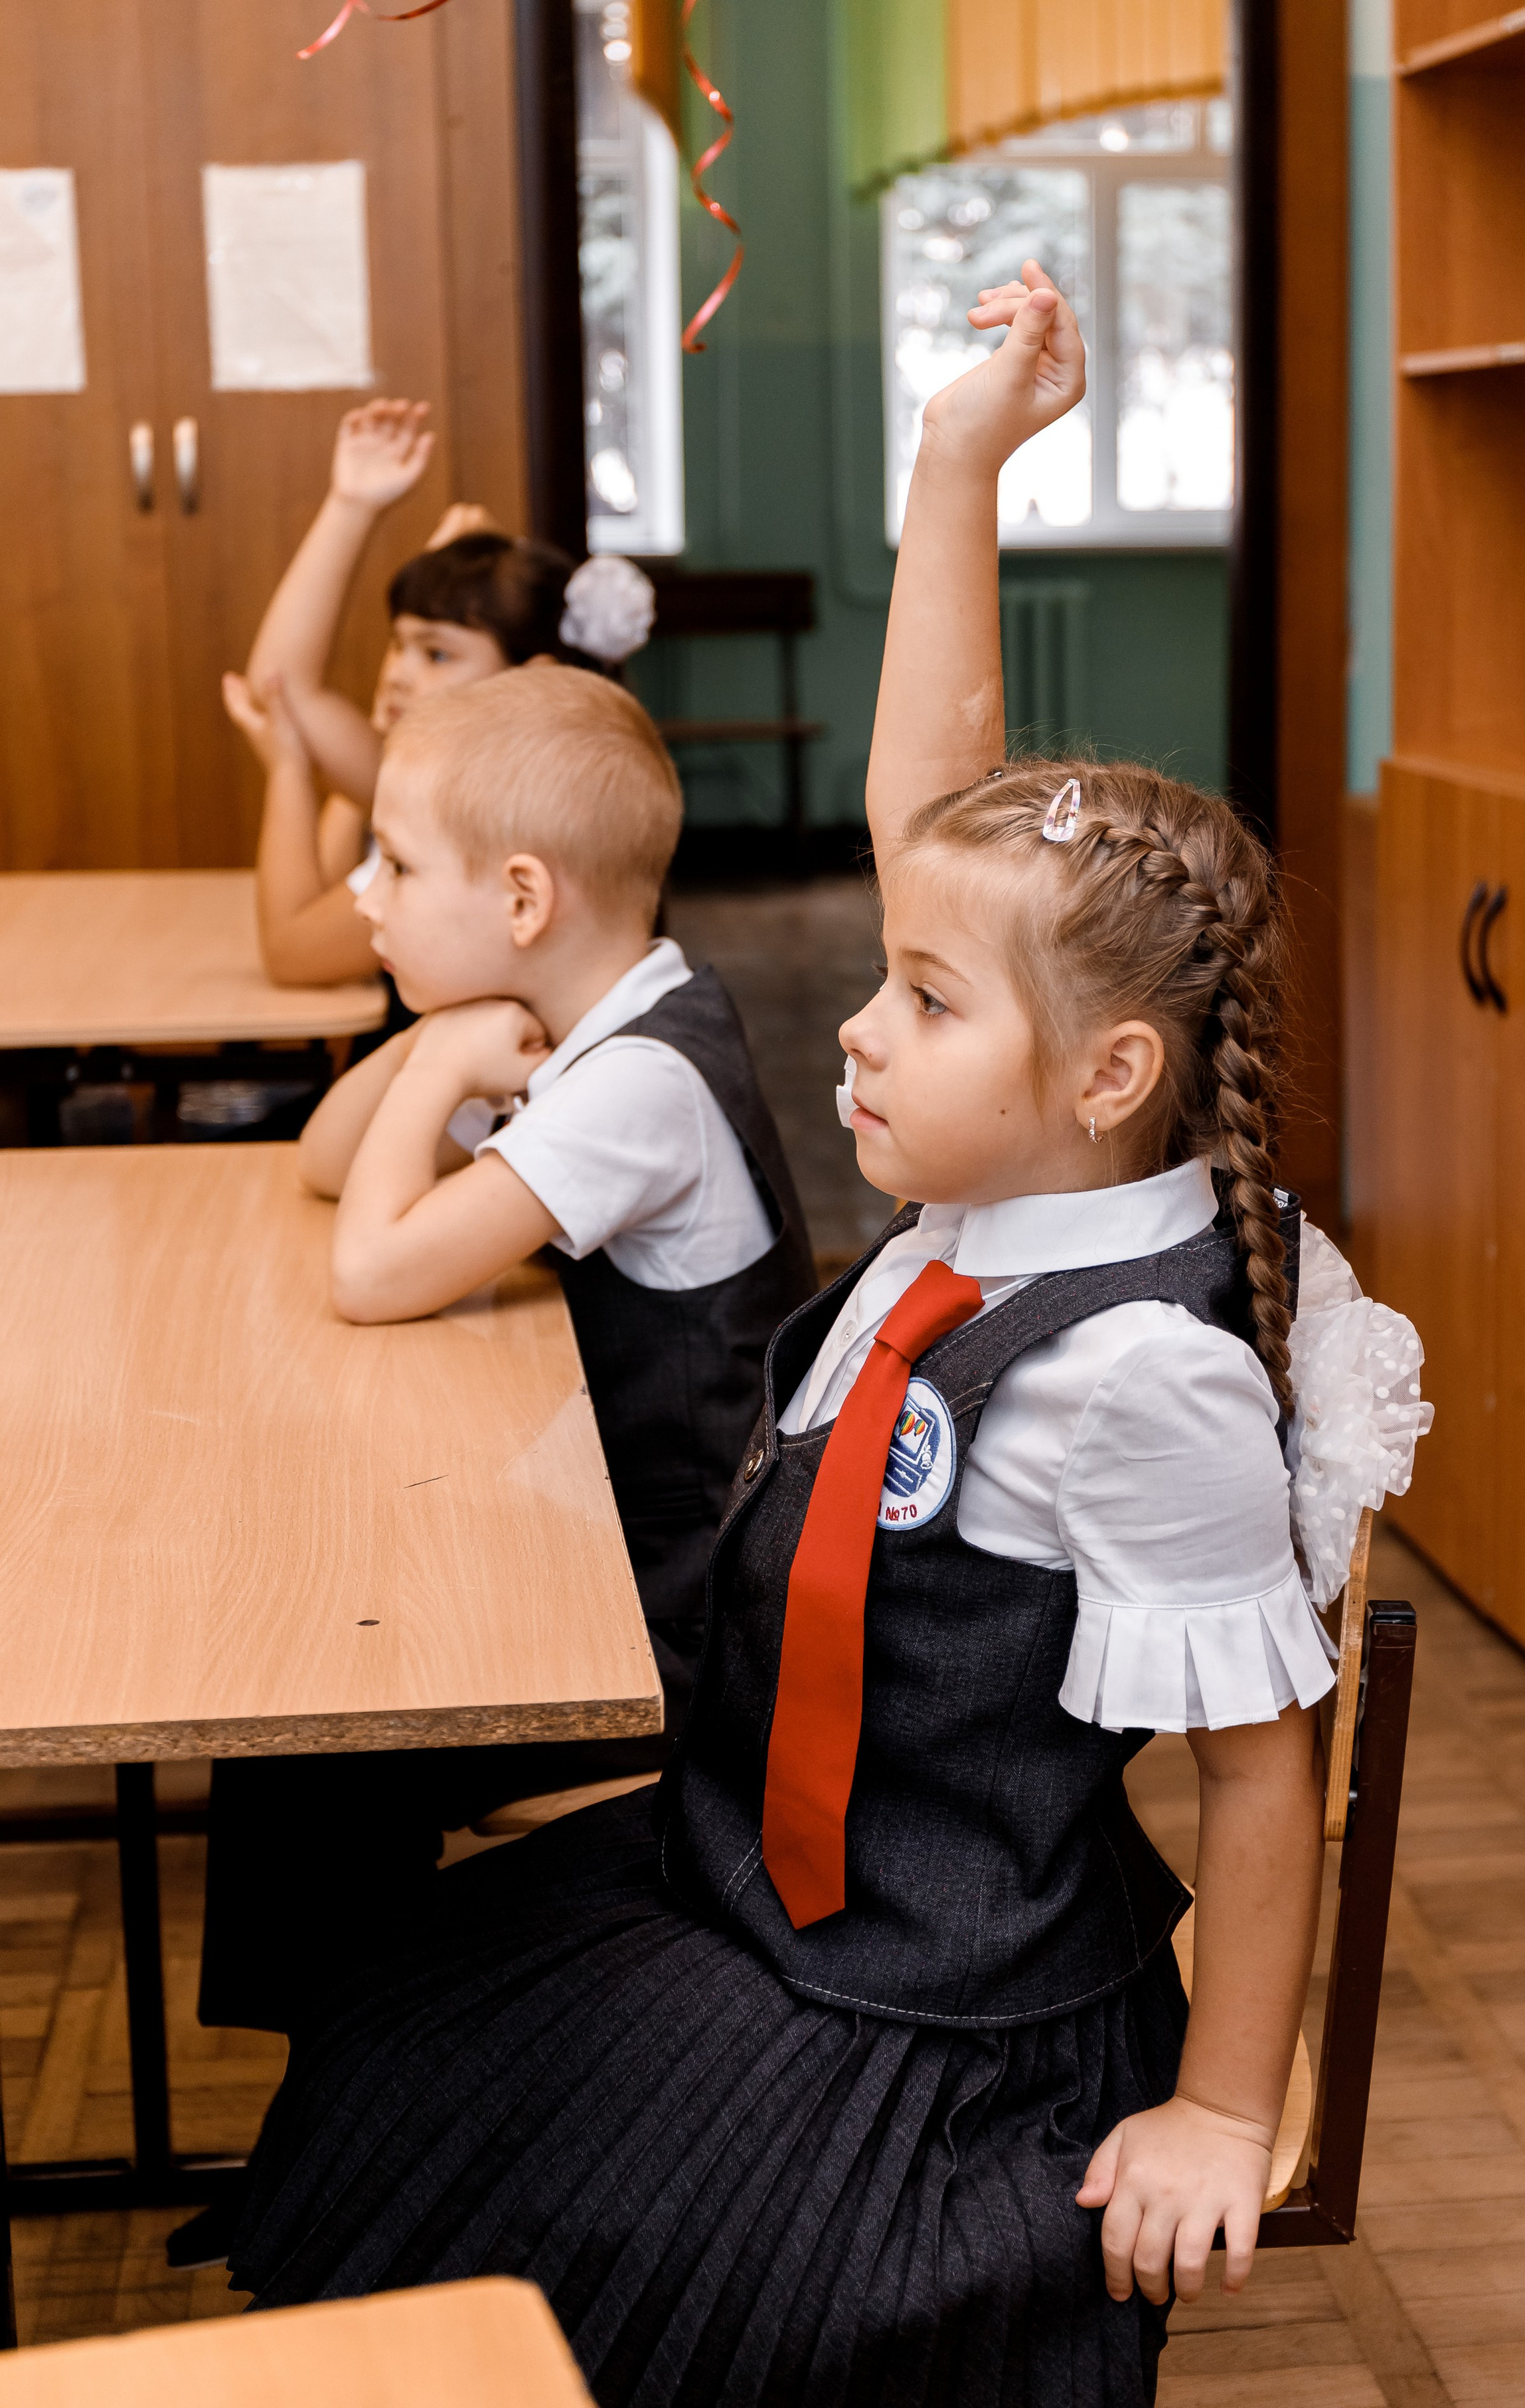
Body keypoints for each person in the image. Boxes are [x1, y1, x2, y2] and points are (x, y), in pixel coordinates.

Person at [222, 271, 1429, 2403]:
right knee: (399, 2039)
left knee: (635, 2277)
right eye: (886, 975)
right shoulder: (991, 1184)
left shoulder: (1136, 1368)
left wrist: (1226, 2109)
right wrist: (960, 457)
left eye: (922, 1002)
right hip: (757, 1884)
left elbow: (1263, 1776)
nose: (856, 1030)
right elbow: (933, 796)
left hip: (927, 2000)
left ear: (1110, 1070)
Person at [177, 662, 815, 2267]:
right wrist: (444, 1041)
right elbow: (327, 1166)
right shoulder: (587, 1020)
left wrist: (450, 1056)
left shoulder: (638, 1084)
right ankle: (343, 2129)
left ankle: (372, 2150)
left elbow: (373, 1266)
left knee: (321, 1712)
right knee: (306, 1707)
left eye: (392, 860)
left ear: (520, 894)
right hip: (607, 1542)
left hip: (681, 1620)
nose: (359, 891)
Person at [224, 396, 656, 991]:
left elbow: (292, 955)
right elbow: (282, 686)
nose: (398, 672)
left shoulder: (488, 823)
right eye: (397, 645)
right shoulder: (453, 781)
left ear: (530, 679)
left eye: (436, 654)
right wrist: (351, 504)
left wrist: (290, 770)